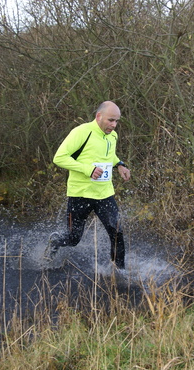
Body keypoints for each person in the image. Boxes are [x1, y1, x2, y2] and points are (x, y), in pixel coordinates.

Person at [45, 101, 131, 269]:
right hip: (80, 194)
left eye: (117, 121)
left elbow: (109, 156)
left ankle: (119, 272)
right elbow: (59, 158)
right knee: (73, 238)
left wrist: (119, 164)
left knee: (117, 233)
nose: (114, 125)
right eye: (110, 120)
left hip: (104, 194)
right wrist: (87, 169)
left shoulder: (112, 136)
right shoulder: (81, 132)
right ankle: (55, 241)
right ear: (99, 116)